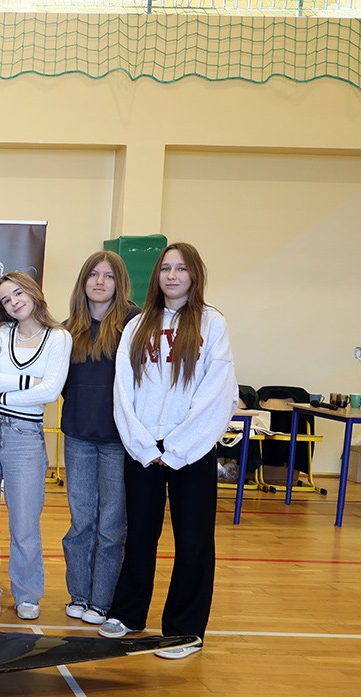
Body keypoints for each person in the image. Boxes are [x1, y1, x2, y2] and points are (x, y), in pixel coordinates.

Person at [100, 243, 237, 660]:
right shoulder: (138, 325)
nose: (172, 276)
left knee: (193, 541)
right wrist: (144, 445)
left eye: (180, 269)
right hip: (144, 449)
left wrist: (177, 448)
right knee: (140, 535)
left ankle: (184, 630)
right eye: (165, 268)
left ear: (194, 275)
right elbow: (123, 390)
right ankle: (128, 613)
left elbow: (218, 393)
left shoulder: (212, 324)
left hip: (191, 450)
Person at [0, 272, 70, 620]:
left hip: (24, 435)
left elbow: (50, 391)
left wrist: (0, 390)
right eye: (6, 299)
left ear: (34, 292)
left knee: (25, 522)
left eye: (18, 294)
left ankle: (27, 594)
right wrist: (27, 382)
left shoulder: (59, 337)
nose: (13, 303)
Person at [60, 251, 139, 625]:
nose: (100, 282)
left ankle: (102, 600)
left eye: (108, 276)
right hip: (78, 437)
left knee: (111, 525)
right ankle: (79, 594)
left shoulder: (134, 324)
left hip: (117, 441)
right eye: (93, 274)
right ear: (83, 281)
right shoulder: (67, 329)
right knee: (81, 522)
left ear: (120, 284)